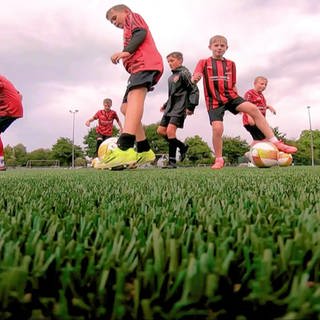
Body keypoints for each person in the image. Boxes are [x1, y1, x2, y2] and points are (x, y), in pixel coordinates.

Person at [192, 35, 297, 169]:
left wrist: (238, 100)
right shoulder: (204, 62)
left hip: (231, 96)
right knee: (217, 128)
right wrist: (195, 79)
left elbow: (233, 83)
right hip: (214, 101)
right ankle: (219, 159)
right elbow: (196, 75)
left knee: (253, 109)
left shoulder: (231, 64)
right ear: (210, 47)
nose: (219, 48)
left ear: (226, 48)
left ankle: (276, 142)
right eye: (216, 45)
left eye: (222, 45)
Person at [99, 4, 163, 169]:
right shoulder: (126, 29)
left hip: (145, 63)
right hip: (137, 68)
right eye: (111, 22)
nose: (114, 23)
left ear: (125, 11)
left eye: (114, 18)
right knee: (126, 108)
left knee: (135, 97)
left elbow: (141, 33)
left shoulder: (132, 17)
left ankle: (125, 147)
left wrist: (126, 51)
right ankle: (144, 149)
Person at [157, 51, 199, 168]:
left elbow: (194, 90)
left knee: (170, 131)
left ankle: (172, 162)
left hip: (180, 107)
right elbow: (172, 94)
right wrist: (166, 104)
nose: (170, 63)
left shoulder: (185, 73)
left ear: (180, 60)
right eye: (168, 61)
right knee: (160, 131)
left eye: (172, 61)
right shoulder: (171, 77)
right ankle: (182, 146)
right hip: (170, 107)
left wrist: (191, 106)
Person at [242, 76, 276, 145]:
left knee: (259, 139)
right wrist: (249, 117)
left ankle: (250, 153)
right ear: (255, 83)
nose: (264, 86)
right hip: (252, 121)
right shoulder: (250, 93)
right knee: (265, 138)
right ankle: (254, 153)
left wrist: (268, 107)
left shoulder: (261, 95)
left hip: (259, 122)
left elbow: (259, 107)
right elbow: (246, 105)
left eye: (265, 85)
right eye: (261, 84)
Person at [0, 75, 23, 171]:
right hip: (15, 108)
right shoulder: (4, 79)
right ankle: (1, 164)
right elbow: (20, 95)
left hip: (9, 109)